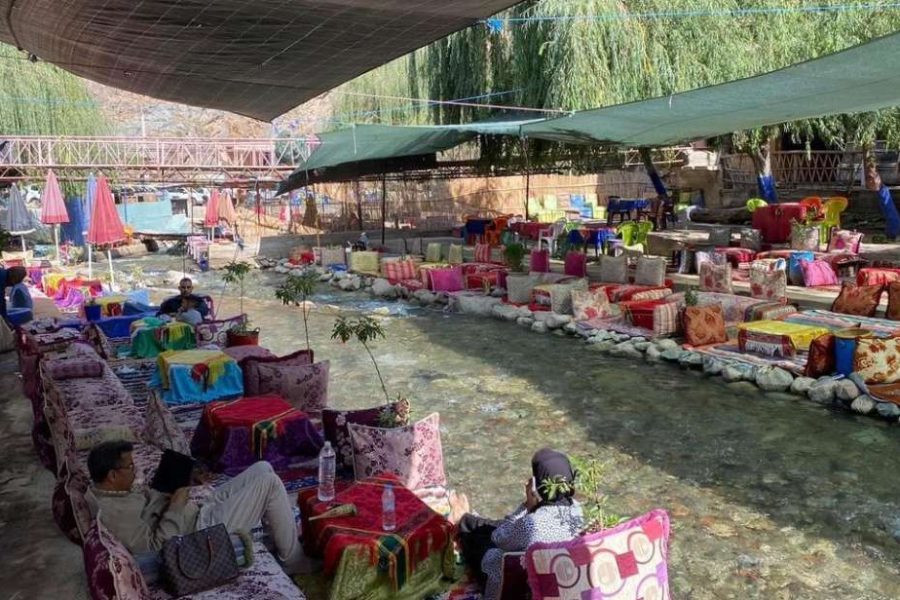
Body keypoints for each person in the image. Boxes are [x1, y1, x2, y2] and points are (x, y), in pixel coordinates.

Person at [85, 440, 311, 574]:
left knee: (263, 467)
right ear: (112, 475)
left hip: (194, 513)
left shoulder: (114, 491)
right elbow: (155, 549)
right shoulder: (114, 513)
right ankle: (293, 560)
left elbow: (146, 506)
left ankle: (276, 539)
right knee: (269, 484)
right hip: (199, 533)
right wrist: (174, 507)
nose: (135, 471)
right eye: (130, 467)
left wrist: (170, 490)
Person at [456, 449, 585, 600]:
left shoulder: (532, 524)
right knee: (488, 525)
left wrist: (527, 505)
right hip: (546, 570)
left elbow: (499, 538)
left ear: (538, 485)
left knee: (480, 540)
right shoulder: (576, 509)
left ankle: (461, 520)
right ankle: (467, 518)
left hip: (509, 583)